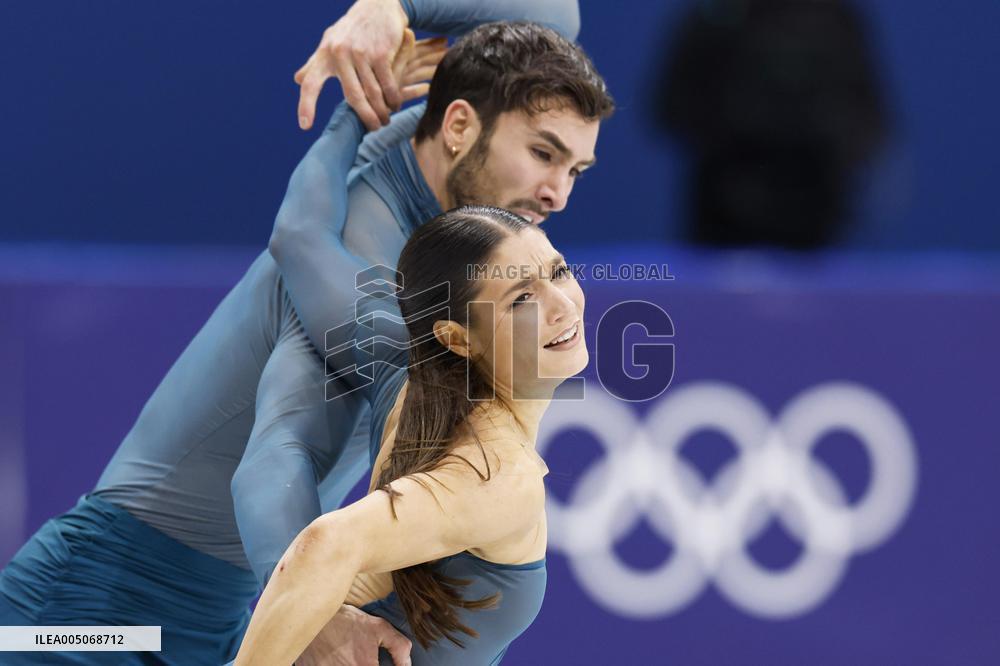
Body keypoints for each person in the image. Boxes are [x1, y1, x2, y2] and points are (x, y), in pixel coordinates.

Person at [0, 4, 612, 665]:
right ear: (460, 126)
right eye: (544, 153)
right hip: (96, 604)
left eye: (576, 168)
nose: (558, 195)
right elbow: (273, 457)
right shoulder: (365, 255)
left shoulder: (429, 164)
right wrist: (310, 606)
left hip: (221, 611)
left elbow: (557, 15)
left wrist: (393, 8)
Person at [235, 106, 589, 666]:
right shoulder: (498, 475)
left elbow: (302, 239)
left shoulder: (404, 364)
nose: (561, 306)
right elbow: (325, 544)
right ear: (458, 337)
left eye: (559, 272)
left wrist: (353, 113)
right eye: (521, 299)